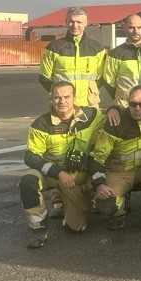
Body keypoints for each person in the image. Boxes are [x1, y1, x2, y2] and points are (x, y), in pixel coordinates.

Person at [18, 82, 104, 249]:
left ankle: (77, 200)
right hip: (53, 174)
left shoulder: (91, 115)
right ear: (51, 99)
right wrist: (58, 173)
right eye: (57, 97)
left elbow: (115, 115)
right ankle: (38, 229)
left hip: (76, 177)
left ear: (74, 98)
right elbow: (30, 156)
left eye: (66, 97)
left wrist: (114, 110)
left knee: (76, 228)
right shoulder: (41, 124)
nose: (61, 101)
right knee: (28, 181)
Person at [84, 85, 141, 233]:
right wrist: (100, 185)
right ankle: (119, 210)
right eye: (133, 104)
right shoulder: (115, 122)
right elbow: (96, 159)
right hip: (119, 173)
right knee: (106, 204)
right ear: (128, 102)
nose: (137, 108)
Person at [37, 6, 107, 109]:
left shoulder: (97, 49)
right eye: (71, 21)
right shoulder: (53, 48)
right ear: (66, 22)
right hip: (62, 106)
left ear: (86, 23)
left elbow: (101, 77)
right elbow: (44, 78)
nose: (75, 25)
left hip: (89, 104)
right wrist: (60, 95)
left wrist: (91, 92)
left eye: (79, 22)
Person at [101, 13, 141, 111]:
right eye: (131, 27)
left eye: (139, 27)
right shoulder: (115, 54)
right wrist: (122, 97)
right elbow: (109, 82)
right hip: (125, 106)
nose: (135, 31)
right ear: (124, 28)